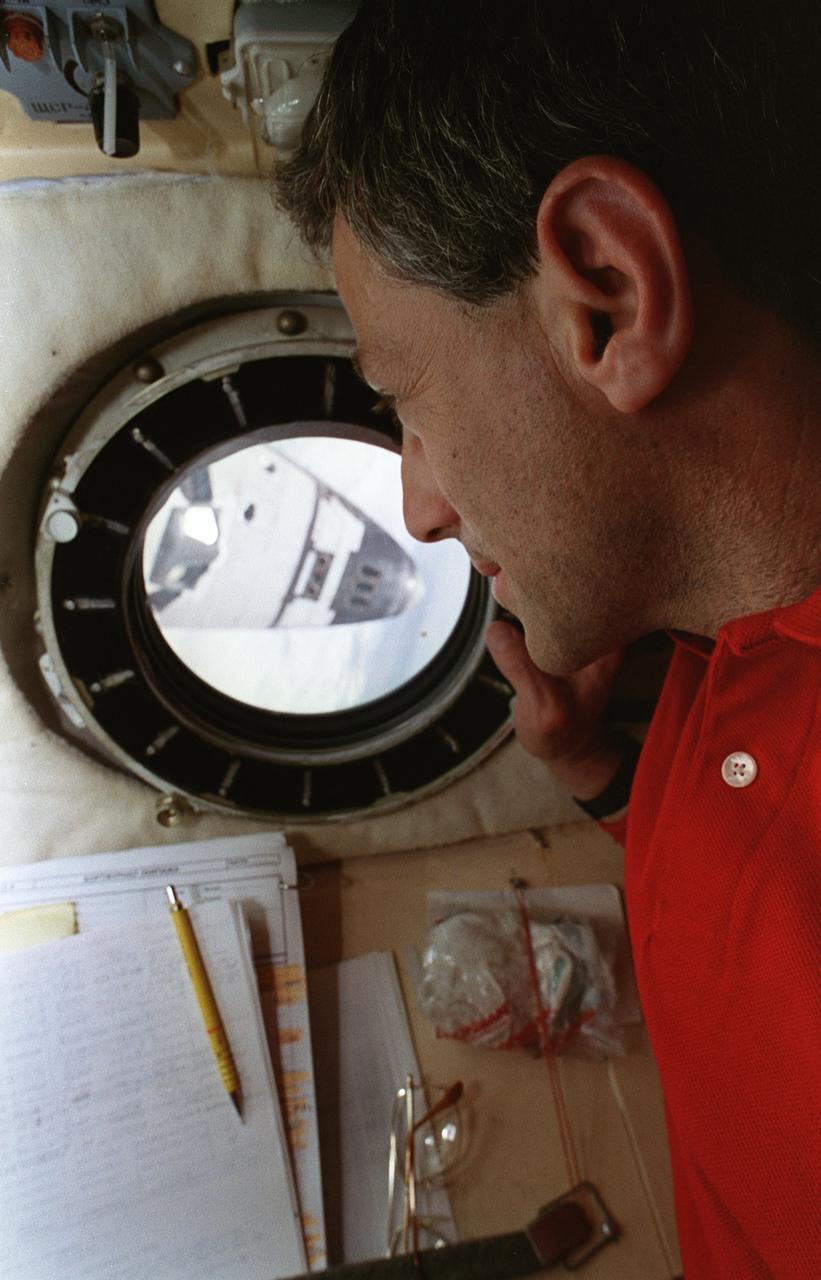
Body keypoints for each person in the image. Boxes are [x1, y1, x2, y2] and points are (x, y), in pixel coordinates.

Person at [275, 3, 821, 1274]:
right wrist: (615, 783)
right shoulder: (710, 628)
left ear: (610, 294)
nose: (415, 505)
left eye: (401, 397)